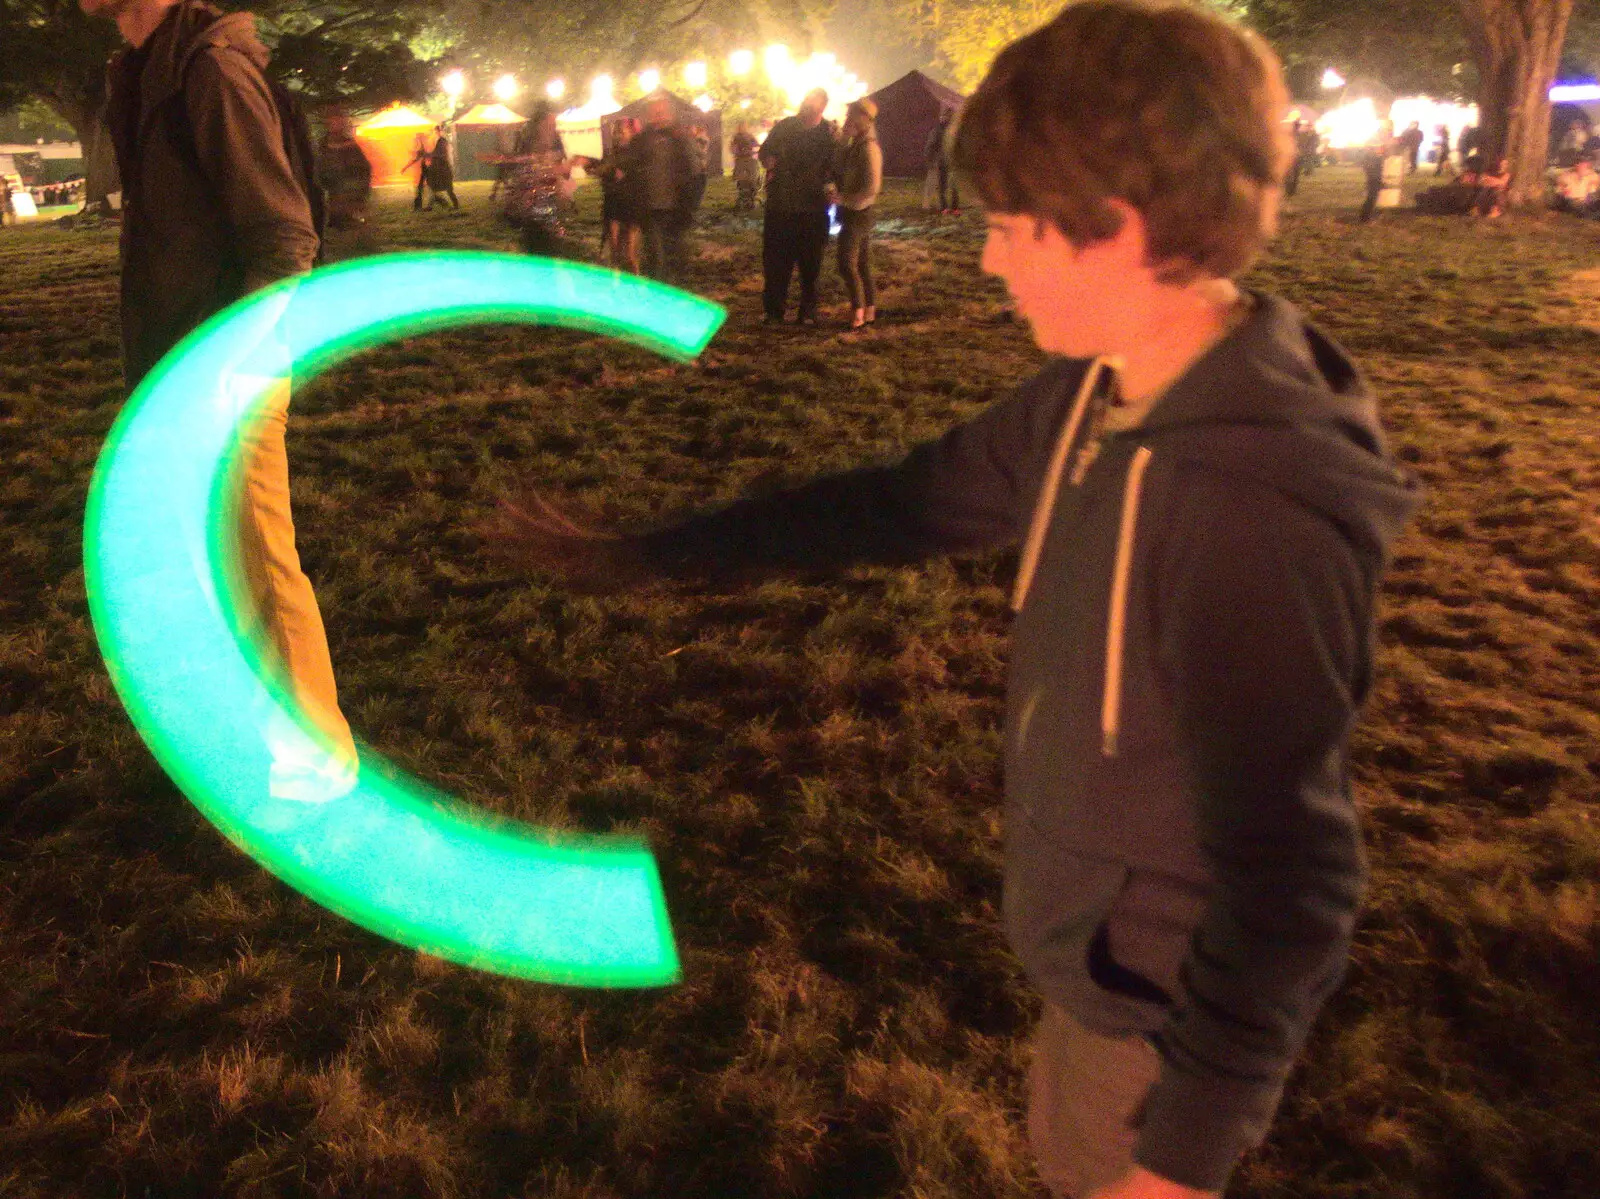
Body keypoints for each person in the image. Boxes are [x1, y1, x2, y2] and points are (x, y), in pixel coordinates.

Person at [489, 5, 1420, 1199]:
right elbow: (906, 502)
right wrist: (658, 553)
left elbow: (1291, 877)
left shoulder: (1243, 502)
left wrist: (1178, 1163)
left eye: (1009, 228)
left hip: (1155, 1017)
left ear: (1117, 233)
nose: (989, 259)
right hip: (1092, 956)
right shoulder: (1101, 392)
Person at [85, 0, 358, 803]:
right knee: (214, 562)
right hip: (178, 363)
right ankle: (258, 735)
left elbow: (284, 237)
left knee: (259, 563)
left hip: (225, 363)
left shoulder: (210, 70)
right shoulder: (145, 69)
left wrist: (231, 362)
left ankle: (317, 758)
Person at [759, 88, 838, 325]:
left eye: (812, 104)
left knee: (810, 265)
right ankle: (774, 311)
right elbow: (765, 151)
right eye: (806, 102)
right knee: (775, 263)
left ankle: (808, 311)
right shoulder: (785, 126)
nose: (806, 107)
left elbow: (835, 167)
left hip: (812, 208)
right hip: (781, 206)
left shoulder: (828, 134)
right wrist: (768, 160)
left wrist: (831, 187)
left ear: (822, 108)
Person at [629, 98, 699, 286]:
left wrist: (690, 204)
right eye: (655, 111)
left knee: (673, 254)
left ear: (670, 113)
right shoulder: (641, 141)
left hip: (676, 209)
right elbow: (631, 171)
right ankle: (658, 293)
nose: (658, 115)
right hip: (650, 209)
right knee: (655, 255)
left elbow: (694, 172)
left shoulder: (680, 139)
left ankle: (673, 289)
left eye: (662, 111)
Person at [498, 101, 575, 256]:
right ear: (539, 125)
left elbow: (564, 172)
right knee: (539, 249)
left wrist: (563, 175)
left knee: (548, 251)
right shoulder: (528, 148)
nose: (552, 129)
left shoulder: (555, 145)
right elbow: (522, 175)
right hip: (533, 213)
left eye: (553, 125)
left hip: (550, 212)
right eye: (549, 124)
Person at [833, 97, 882, 330]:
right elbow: (838, 163)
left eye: (851, 115)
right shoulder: (856, 145)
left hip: (858, 212)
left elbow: (871, 188)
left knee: (846, 263)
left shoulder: (869, 149)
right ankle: (869, 310)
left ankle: (858, 312)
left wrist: (843, 199)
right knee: (862, 264)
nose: (847, 120)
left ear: (865, 119)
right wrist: (843, 136)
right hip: (854, 211)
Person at [316, 104, 373, 258]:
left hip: (350, 197)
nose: (334, 123)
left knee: (351, 232)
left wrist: (357, 194)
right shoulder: (323, 145)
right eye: (331, 120)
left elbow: (363, 169)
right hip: (332, 196)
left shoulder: (350, 145)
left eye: (338, 119)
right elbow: (320, 168)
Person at [599, 117, 642, 272]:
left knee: (631, 253)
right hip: (614, 203)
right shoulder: (612, 153)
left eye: (622, 131)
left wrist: (626, 173)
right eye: (616, 132)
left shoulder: (637, 152)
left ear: (631, 132)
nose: (619, 135)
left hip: (631, 204)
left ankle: (635, 278)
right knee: (615, 249)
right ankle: (616, 279)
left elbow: (640, 174)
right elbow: (605, 173)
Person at [426, 123, 460, 210]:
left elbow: (440, 154)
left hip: (443, 168)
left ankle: (454, 205)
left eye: (436, 131)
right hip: (441, 168)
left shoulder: (442, 141)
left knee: (447, 189)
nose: (435, 133)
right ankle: (431, 206)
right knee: (434, 188)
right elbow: (437, 153)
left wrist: (429, 155)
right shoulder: (440, 141)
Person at [731, 119, 762, 209]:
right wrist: (738, 152)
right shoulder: (736, 137)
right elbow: (734, 148)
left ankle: (751, 196)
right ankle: (744, 196)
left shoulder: (749, 136)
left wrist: (752, 150)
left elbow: (756, 145)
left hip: (750, 159)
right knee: (741, 179)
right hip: (741, 159)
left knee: (752, 178)